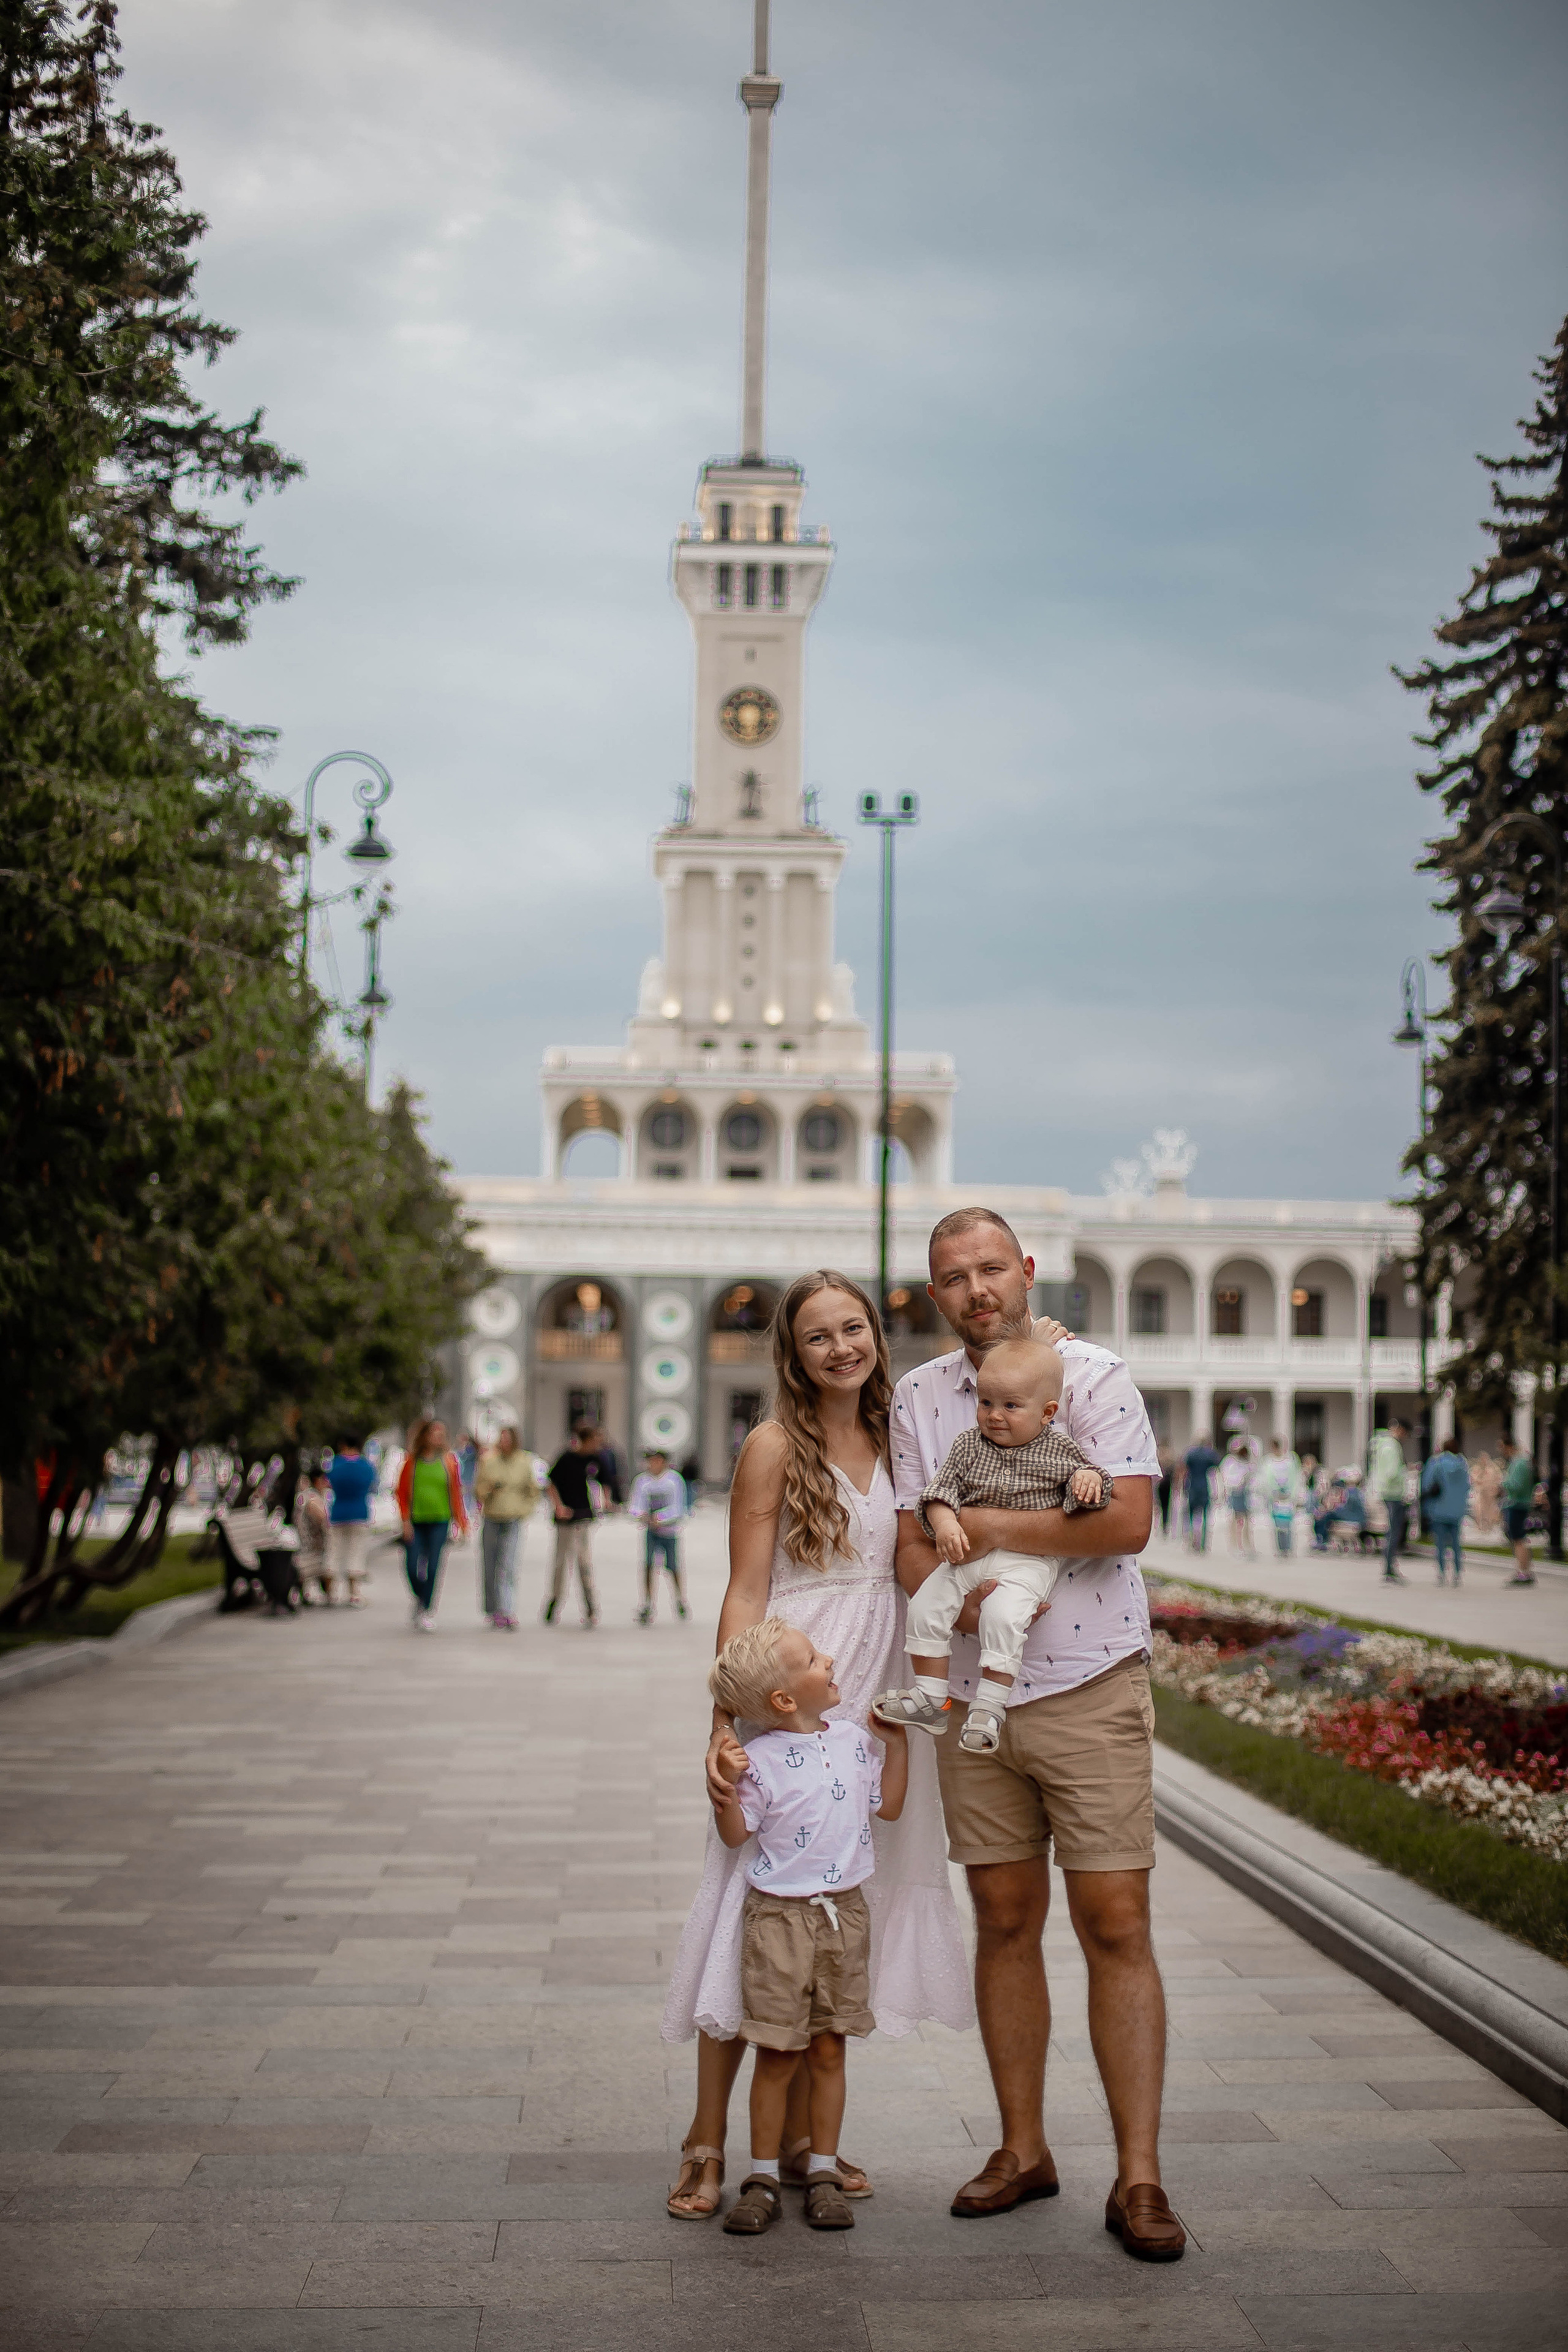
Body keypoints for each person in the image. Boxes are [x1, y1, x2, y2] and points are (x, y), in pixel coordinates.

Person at [891, 1208, 1182, 2260]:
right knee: (1004, 1916)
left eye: (989, 1270)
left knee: (1114, 1920)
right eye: (951, 1278)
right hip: (978, 1702)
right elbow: (908, 1545)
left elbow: (1124, 1523)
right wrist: (951, 1579)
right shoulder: (921, 1399)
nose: (975, 1290)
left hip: (1091, 1685)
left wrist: (983, 1533)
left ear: (1025, 1271)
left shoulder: (1093, 1377)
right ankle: (1023, 2151)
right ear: (936, 1296)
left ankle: (1140, 2179)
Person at [662, 1270, 973, 2224]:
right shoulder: (771, 1447)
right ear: (793, 1356)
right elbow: (747, 1591)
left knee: (839, 1907)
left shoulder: (902, 1435)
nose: (841, 1347)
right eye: (817, 1337)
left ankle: (803, 2143)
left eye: (853, 1328)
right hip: (791, 1685)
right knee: (749, 1915)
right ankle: (708, 2139)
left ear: (876, 1334)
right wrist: (726, 1715)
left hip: (872, 1696)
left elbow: (1001, 1390)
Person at [707, 1617, 909, 2237]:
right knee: (776, 2050)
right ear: (784, 1700)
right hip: (778, 1921)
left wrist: (895, 1747)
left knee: (829, 2047)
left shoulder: (852, 1740)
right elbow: (738, 1836)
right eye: (815, 1658)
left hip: (843, 1915)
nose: (830, 1659)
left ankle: (821, 2170)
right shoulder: (760, 1761)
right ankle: (763, 2175)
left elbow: (890, 1807)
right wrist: (724, 1791)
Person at [873, 1338, 1109, 1754]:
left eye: (1010, 1406)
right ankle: (930, 1696)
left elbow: (1094, 1486)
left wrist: (1087, 1482)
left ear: (1047, 1413)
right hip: (967, 1551)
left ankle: (989, 1707)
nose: (994, 1416)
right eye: (985, 1403)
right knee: (926, 1605)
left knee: (1002, 1619)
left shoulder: (1058, 1449)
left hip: (1027, 1562)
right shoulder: (968, 1446)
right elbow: (941, 1490)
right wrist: (945, 1523)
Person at [395, 1419, 467, 1630]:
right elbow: (402, 1493)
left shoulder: (449, 1462)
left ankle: (426, 1608)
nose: (439, 1437)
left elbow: (456, 1493)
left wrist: (461, 1523)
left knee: (434, 1565)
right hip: (416, 1521)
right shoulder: (412, 1462)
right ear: (425, 1435)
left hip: (440, 1521)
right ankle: (420, 1596)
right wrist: (405, 1521)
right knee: (411, 1564)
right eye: (435, 1433)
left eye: (442, 1434)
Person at [475, 1425, 538, 1629]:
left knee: (508, 1565)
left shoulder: (523, 1461)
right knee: (490, 1564)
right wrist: (490, 1489)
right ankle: (493, 1609)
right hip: (493, 1516)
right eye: (501, 1438)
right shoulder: (488, 1461)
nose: (504, 1442)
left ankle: (507, 1609)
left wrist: (526, 1509)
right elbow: (478, 1490)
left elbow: (532, 1490)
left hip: (513, 1518)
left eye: (507, 1438)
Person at [545, 1423, 601, 1627]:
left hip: (584, 1517)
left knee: (584, 1563)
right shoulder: (567, 1458)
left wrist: (606, 1501)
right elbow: (550, 1482)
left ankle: (590, 1606)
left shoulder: (596, 1460)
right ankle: (554, 1601)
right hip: (566, 1519)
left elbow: (605, 1483)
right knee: (561, 1562)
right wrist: (559, 1506)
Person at [630, 1449, 689, 1623]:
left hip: (669, 1532)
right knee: (648, 1565)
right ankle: (647, 1603)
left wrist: (661, 1518)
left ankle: (680, 1599)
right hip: (651, 1531)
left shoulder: (674, 1481)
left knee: (672, 1566)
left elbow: (679, 1508)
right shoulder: (642, 1481)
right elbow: (635, 1504)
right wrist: (641, 1515)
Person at [326, 1437, 377, 1608]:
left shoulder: (335, 1465)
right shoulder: (365, 1466)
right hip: (359, 1512)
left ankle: (331, 1593)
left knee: (335, 1551)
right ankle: (354, 1594)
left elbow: (329, 1482)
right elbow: (372, 1484)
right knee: (356, 1553)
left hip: (338, 1512)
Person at [1421, 1438, 1471, 1585]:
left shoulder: (1436, 1463)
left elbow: (1427, 1485)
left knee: (1441, 1543)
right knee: (1456, 1543)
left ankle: (1442, 1573)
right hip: (1457, 1509)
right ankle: (1457, 1574)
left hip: (1439, 1508)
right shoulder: (1463, 1465)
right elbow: (1467, 1487)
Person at [1368, 1417, 1411, 1584]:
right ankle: (1389, 1568)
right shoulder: (1392, 1446)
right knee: (1394, 1532)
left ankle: (1389, 1567)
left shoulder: (1381, 1445)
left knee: (1392, 1531)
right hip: (1394, 1494)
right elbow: (1392, 1472)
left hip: (1386, 1492)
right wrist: (1404, 1471)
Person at [1498, 1433, 1539, 1585]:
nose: (1502, 1451)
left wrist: (1504, 1483)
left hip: (1517, 1504)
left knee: (1518, 1538)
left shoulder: (1520, 1463)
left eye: (1502, 1447)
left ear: (1509, 1446)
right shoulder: (1520, 1462)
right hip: (1518, 1504)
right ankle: (1523, 1570)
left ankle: (1524, 1572)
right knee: (1518, 1538)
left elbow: (1516, 1485)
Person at [293, 1467, 333, 1603]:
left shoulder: (309, 1496)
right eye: (325, 1479)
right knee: (334, 1552)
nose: (328, 1483)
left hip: (307, 1547)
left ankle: (327, 1593)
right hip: (311, 1549)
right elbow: (326, 1521)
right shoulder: (312, 1499)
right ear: (318, 1481)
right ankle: (329, 1595)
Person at [1258, 1436, 1302, 1558]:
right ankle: (1281, 1548)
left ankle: (1288, 1547)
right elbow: (1265, 1480)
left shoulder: (1290, 1461)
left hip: (1288, 1497)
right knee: (1278, 1525)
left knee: (1287, 1524)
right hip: (1275, 1497)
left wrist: (1293, 1495)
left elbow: (1296, 1479)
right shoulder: (1268, 1462)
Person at [1183, 1433, 1219, 1551]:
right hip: (1204, 1486)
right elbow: (1216, 1466)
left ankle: (1192, 1540)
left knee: (1192, 1516)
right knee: (1205, 1516)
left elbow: (1185, 1469)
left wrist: (1183, 1486)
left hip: (1192, 1485)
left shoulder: (1191, 1454)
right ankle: (1203, 1543)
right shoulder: (1209, 1455)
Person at [1221, 1439, 1254, 1555]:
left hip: (1246, 1493)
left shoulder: (1246, 1463)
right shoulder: (1230, 1462)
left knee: (1247, 1521)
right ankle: (1234, 1545)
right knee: (1235, 1520)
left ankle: (1248, 1545)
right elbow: (1226, 1478)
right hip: (1235, 1492)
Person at [1155, 1444, 1175, 1540]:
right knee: (1165, 1506)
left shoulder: (1160, 1460)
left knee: (1161, 1506)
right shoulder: (1169, 1461)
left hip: (1162, 1484)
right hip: (1167, 1484)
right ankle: (1164, 1525)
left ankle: (1162, 1525)